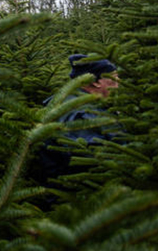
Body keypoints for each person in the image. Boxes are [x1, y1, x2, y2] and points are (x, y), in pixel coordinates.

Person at [34, 54, 119, 191]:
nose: (118, 81)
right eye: (113, 76)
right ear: (95, 82)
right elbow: (90, 158)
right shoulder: (79, 113)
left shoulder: (76, 101)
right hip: (79, 196)